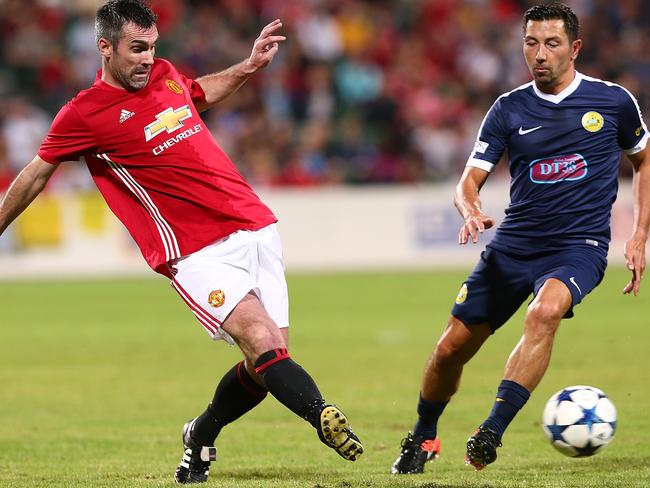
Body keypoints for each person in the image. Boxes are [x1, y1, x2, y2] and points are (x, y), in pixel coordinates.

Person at [0, 0, 363, 484]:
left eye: (152, 47)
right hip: (194, 251)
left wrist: (248, 67)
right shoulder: (83, 114)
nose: (147, 58)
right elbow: (34, 174)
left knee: (265, 366)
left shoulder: (165, 75)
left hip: (255, 225)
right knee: (262, 342)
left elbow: (197, 93)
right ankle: (322, 414)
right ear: (105, 47)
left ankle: (199, 434)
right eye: (136, 49)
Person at [391, 2, 648, 475]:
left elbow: (644, 159)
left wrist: (638, 236)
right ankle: (423, 435)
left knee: (545, 312)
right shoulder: (508, 108)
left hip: (579, 245)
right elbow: (469, 179)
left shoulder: (613, 101)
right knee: (450, 349)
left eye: (551, 44)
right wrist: (469, 207)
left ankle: (491, 431)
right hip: (514, 245)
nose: (540, 54)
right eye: (531, 43)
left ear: (575, 48)